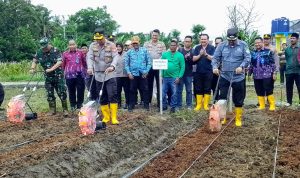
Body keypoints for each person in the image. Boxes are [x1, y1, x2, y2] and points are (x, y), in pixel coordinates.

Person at [212, 28, 251, 127]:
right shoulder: (221, 45)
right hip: (225, 75)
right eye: (230, 40)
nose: (231, 42)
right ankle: (222, 117)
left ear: (237, 38)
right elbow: (215, 58)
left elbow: (247, 58)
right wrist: (215, 67)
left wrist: (241, 66)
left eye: (233, 40)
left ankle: (238, 118)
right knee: (222, 97)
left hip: (238, 76)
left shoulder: (243, 45)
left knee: (238, 98)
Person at [86, 28, 119, 125]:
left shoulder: (111, 45)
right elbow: (90, 57)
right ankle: (106, 116)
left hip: (109, 74)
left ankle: (113, 117)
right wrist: (90, 67)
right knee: (102, 95)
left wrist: (112, 66)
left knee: (112, 94)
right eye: (96, 39)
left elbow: (116, 56)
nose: (98, 41)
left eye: (100, 38)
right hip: (98, 75)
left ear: (104, 36)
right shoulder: (92, 45)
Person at [30, 37, 68, 116]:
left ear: (48, 44)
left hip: (58, 76)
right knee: (49, 93)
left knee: (61, 92)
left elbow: (59, 62)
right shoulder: (39, 52)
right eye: (42, 47)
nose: (44, 49)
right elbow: (35, 60)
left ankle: (65, 109)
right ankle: (52, 110)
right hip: (48, 77)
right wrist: (32, 68)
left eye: (45, 47)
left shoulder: (56, 50)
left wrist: (51, 69)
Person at [248, 37, 278, 111]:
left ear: (262, 43)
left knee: (268, 89)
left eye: (259, 42)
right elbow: (251, 64)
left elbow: (273, 63)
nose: (257, 44)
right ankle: (262, 105)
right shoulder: (253, 53)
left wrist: (274, 72)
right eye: (256, 43)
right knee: (258, 90)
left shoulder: (268, 51)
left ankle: (272, 105)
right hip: (256, 75)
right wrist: (249, 73)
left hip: (267, 74)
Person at [124, 36, 152, 112]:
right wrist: (129, 73)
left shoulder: (144, 50)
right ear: (132, 44)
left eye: (136, 43)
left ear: (139, 42)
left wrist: (146, 71)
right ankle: (131, 105)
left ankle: (146, 105)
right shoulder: (129, 52)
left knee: (145, 89)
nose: (135, 44)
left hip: (143, 74)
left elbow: (149, 62)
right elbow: (126, 64)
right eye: (133, 43)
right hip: (133, 74)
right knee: (132, 90)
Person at [62, 40, 87, 111]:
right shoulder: (65, 54)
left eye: (73, 44)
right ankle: (73, 105)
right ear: (68, 45)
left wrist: (85, 71)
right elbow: (63, 65)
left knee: (80, 90)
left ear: (76, 44)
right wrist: (64, 73)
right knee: (71, 90)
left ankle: (79, 105)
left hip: (80, 75)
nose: (72, 46)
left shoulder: (80, 53)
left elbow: (84, 62)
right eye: (70, 45)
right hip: (69, 76)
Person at [193, 34, 215, 111]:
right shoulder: (197, 48)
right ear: (200, 40)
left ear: (208, 40)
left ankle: (205, 105)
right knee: (198, 88)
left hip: (208, 71)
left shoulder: (212, 48)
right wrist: (200, 54)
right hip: (198, 71)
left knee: (207, 88)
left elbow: (213, 58)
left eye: (204, 39)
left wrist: (205, 54)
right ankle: (199, 105)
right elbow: (193, 59)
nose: (203, 41)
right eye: (202, 39)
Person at [144, 29, 166, 107]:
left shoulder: (162, 44)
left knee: (159, 85)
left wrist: (158, 61)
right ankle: (148, 102)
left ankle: (159, 103)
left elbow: (164, 55)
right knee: (148, 85)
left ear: (158, 36)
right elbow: (144, 55)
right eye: (153, 35)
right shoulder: (146, 44)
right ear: (151, 35)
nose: (154, 37)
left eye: (156, 35)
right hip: (149, 66)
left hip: (159, 66)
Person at [161, 39, 185, 113]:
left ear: (177, 46)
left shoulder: (180, 55)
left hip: (175, 78)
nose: (173, 46)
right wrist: (161, 75)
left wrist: (179, 77)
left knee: (174, 93)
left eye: (174, 45)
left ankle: (173, 107)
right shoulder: (165, 54)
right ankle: (164, 105)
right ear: (169, 46)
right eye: (171, 45)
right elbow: (161, 65)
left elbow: (182, 66)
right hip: (165, 77)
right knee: (162, 92)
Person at [177, 36, 194, 109]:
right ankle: (179, 105)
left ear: (191, 42)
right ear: (184, 42)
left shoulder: (193, 51)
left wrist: (189, 58)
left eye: (189, 41)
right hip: (180, 73)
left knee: (189, 90)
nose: (187, 43)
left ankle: (189, 105)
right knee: (179, 90)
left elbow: (194, 62)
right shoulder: (179, 50)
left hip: (189, 73)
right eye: (186, 41)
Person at [284, 32, 300, 106]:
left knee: (299, 87)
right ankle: (289, 102)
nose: (292, 39)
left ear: (297, 39)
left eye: (293, 38)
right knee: (289, 87)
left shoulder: (299, 48)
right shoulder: (287, 49)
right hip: (289, 71)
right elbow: (287, 58)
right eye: (291, 38)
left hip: (298, 71)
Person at [115, 43, 130, 109]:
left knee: (127, 90)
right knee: (118, 90)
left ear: (122, 47)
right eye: (117, 47)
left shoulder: (126, 54)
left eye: (120, 47)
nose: (118, 48)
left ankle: (127, 103)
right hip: (117, 75)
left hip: (125, 75)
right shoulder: (114, 55)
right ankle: (118, 103)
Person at [211, 37, 224, 101]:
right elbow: (213, 61)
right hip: (215, 73)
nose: (217, 45)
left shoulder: (226, 50)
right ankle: (215, 102)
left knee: (223, 88)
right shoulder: (213, 51)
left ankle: (223, 102)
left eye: (219, 43)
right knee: (215, 88)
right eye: (216, 43)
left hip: (224, 73)